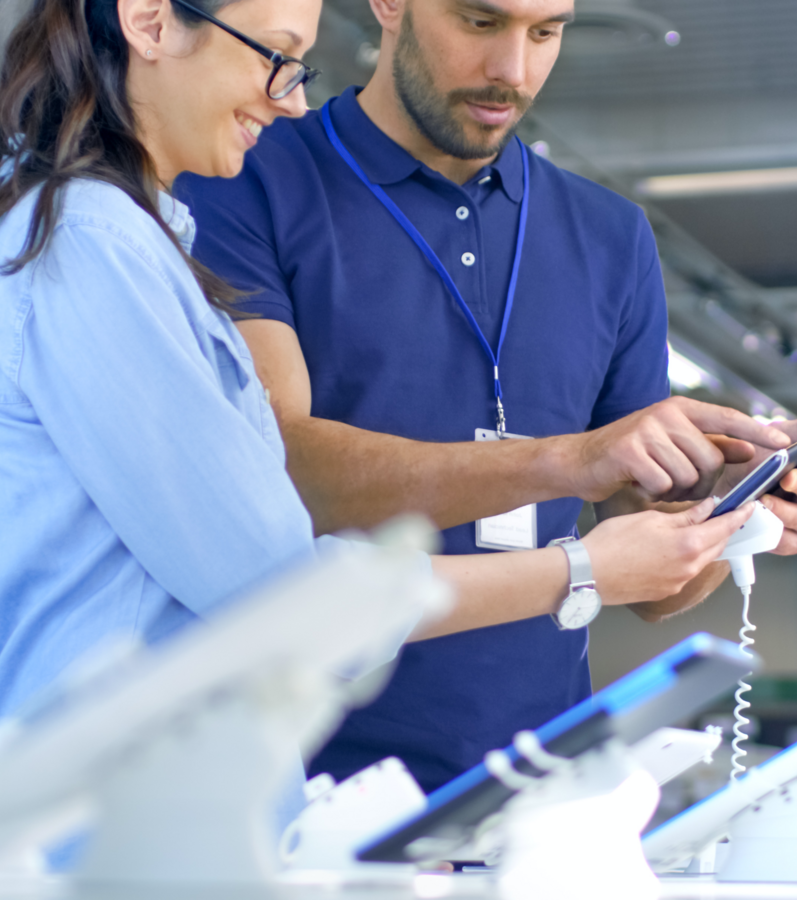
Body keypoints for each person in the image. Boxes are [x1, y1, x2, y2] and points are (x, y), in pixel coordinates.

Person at [0, 0, 758, 726]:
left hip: (201, 797)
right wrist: (577, 564)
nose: (291, 100)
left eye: (548, 31)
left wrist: (732, 509)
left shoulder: (143, 240)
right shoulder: (98, 245)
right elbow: (280, 591)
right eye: (277, 56)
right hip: (129, 810)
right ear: (149, 20)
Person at [175, 0, 797, 793]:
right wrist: (570, 460)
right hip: (307, 787)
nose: (514, 72)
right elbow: (281, 468)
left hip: (541, 793)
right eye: (481, 22)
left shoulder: (610, 235)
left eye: (546, 32)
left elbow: (649, 582)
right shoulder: (241, 174)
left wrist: (736, 516)